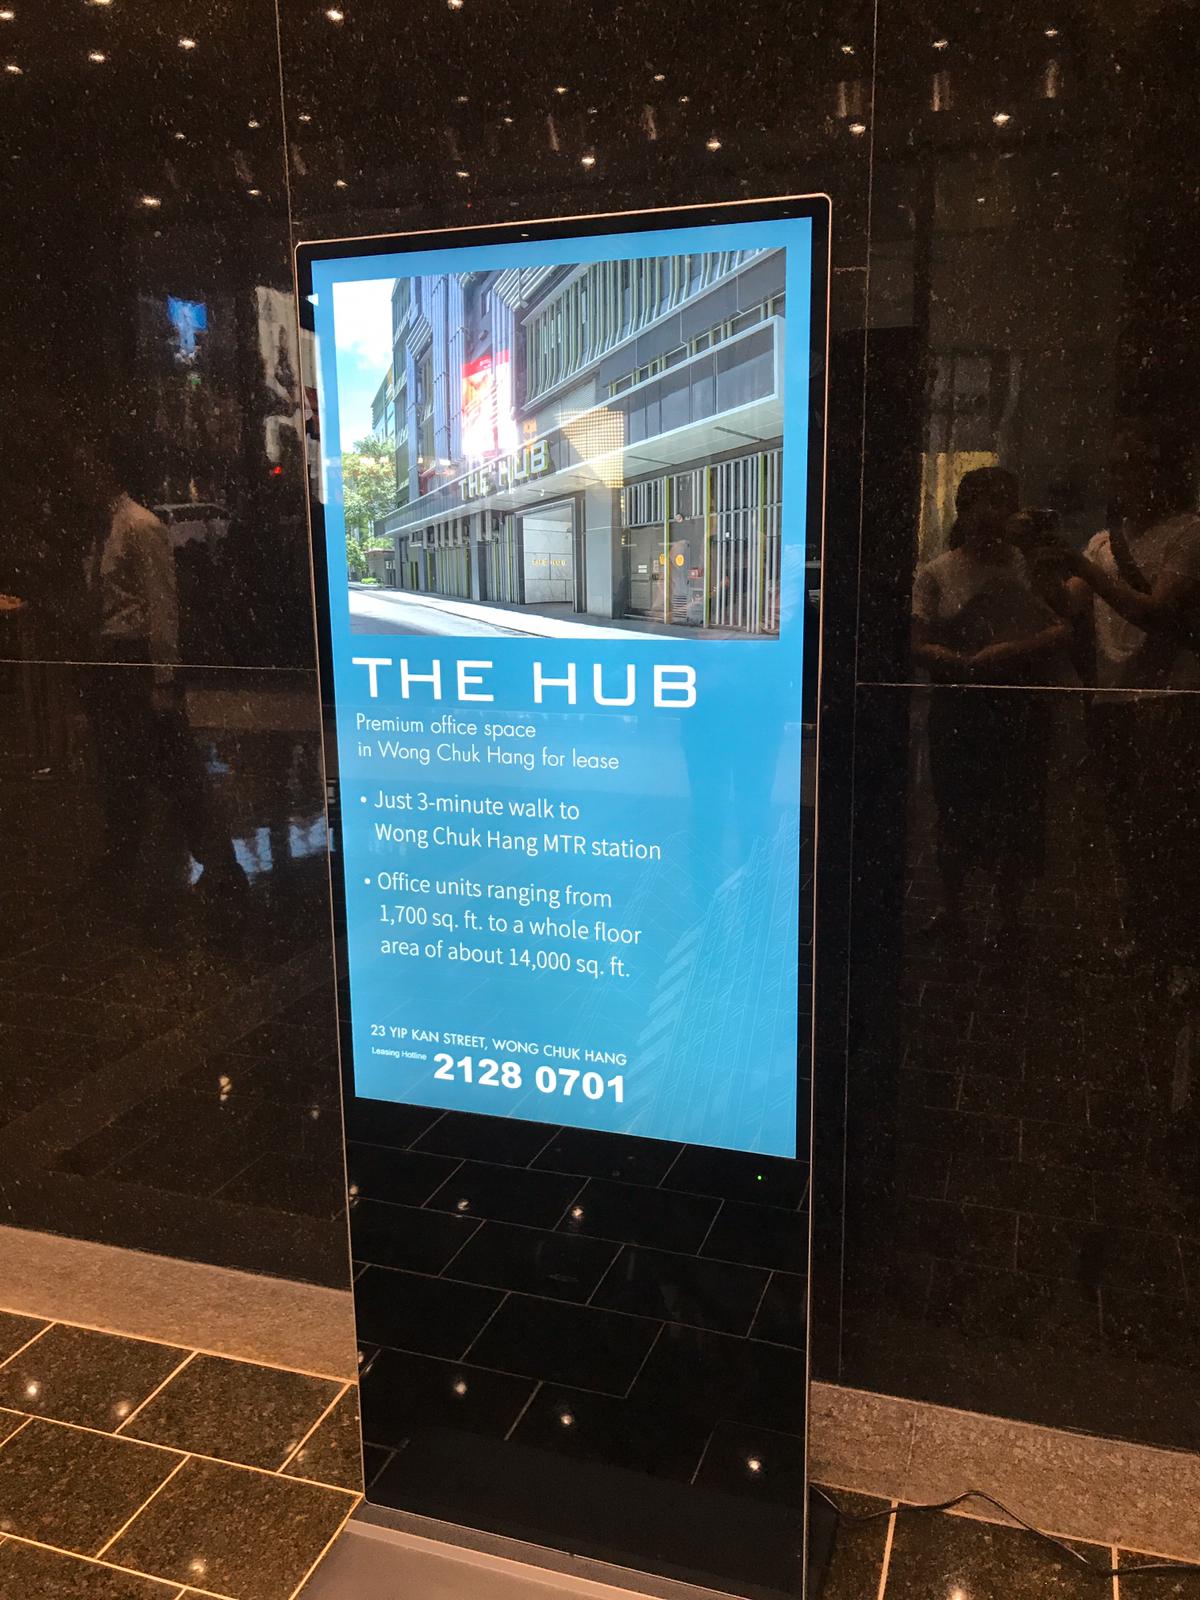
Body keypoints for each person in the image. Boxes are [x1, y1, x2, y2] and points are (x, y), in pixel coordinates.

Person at [911, 467, 1073, 942]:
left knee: (1017, 811)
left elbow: (1063, 626)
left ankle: (1009, 915)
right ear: (964, 510)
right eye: (983, 503)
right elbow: (917, 643)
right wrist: (958, 662)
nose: (992, 513)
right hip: (960, 708)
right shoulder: (936, 571)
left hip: (1017, 706)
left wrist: (1008, 652)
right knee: (955, 809)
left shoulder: (1027, 566)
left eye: (1002, 503)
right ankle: (952, 908)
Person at [1062, 419, 1200, 969]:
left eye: (1134, 463)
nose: (1122, 475)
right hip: (1112, 699)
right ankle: (1148, 933)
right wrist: (1043, 560)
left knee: (1168, 825)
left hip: (1168, 697)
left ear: (1162, 471)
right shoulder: (1102, 541)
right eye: (1116, 465)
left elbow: (1156, 611)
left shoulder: (1189, 532)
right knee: (1125, 823)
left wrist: (1079, 567)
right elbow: (1068, 607)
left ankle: (1179, 948)